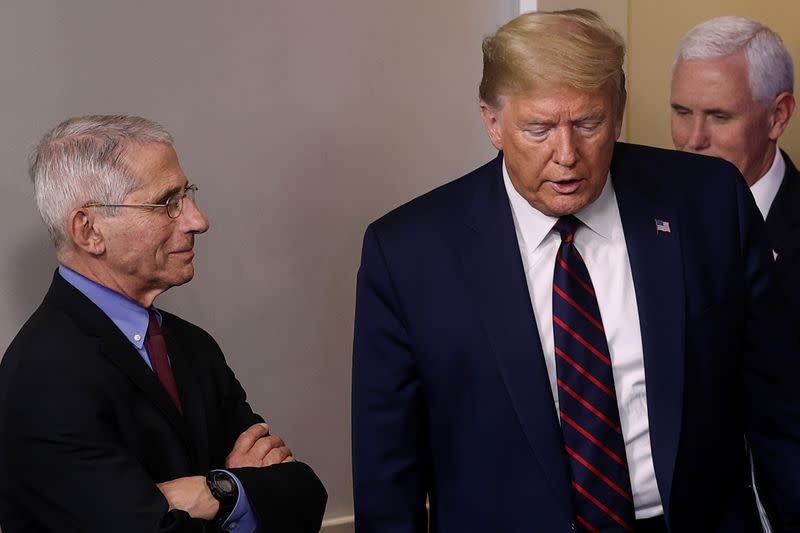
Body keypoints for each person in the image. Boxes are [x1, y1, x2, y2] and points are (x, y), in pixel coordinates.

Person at [352, 9, 800, 533]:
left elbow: (780, 411)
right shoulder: (409, 253)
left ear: (620, 110)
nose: (566, 155)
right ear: (492, 122)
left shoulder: (708, 202)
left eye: (588, 124)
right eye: (538, 129)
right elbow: (389, 476)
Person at [0, 115, 327, 532]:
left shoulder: (191, 346)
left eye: (186, 195)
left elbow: (303, 495)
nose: (197, 220)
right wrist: (243, 492)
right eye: (167, 203)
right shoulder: (43, 379)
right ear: (89, 230)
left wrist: (214, 491)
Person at [671, 15, 800, 327]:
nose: (693, 139)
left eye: (720, 116)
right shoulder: (646, 218)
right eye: (682, 113)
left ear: (778, 117)